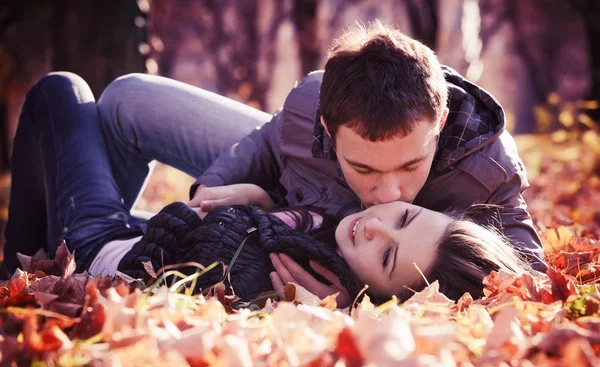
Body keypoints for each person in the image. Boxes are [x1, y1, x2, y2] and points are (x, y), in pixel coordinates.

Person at [2, 20, 545, 283]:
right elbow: (261, 143)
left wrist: (348, 305)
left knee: (59, 95)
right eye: (364, 168)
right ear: (330, 131)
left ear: (441, 122)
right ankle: (93, 246)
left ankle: (82, 252)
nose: (386, 194)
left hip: (287, 235)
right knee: (123, 97)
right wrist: (229, 194)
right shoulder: (312, 102)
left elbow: (528, 282)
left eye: (410, 167)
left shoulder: (486, 171)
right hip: (281, 208)